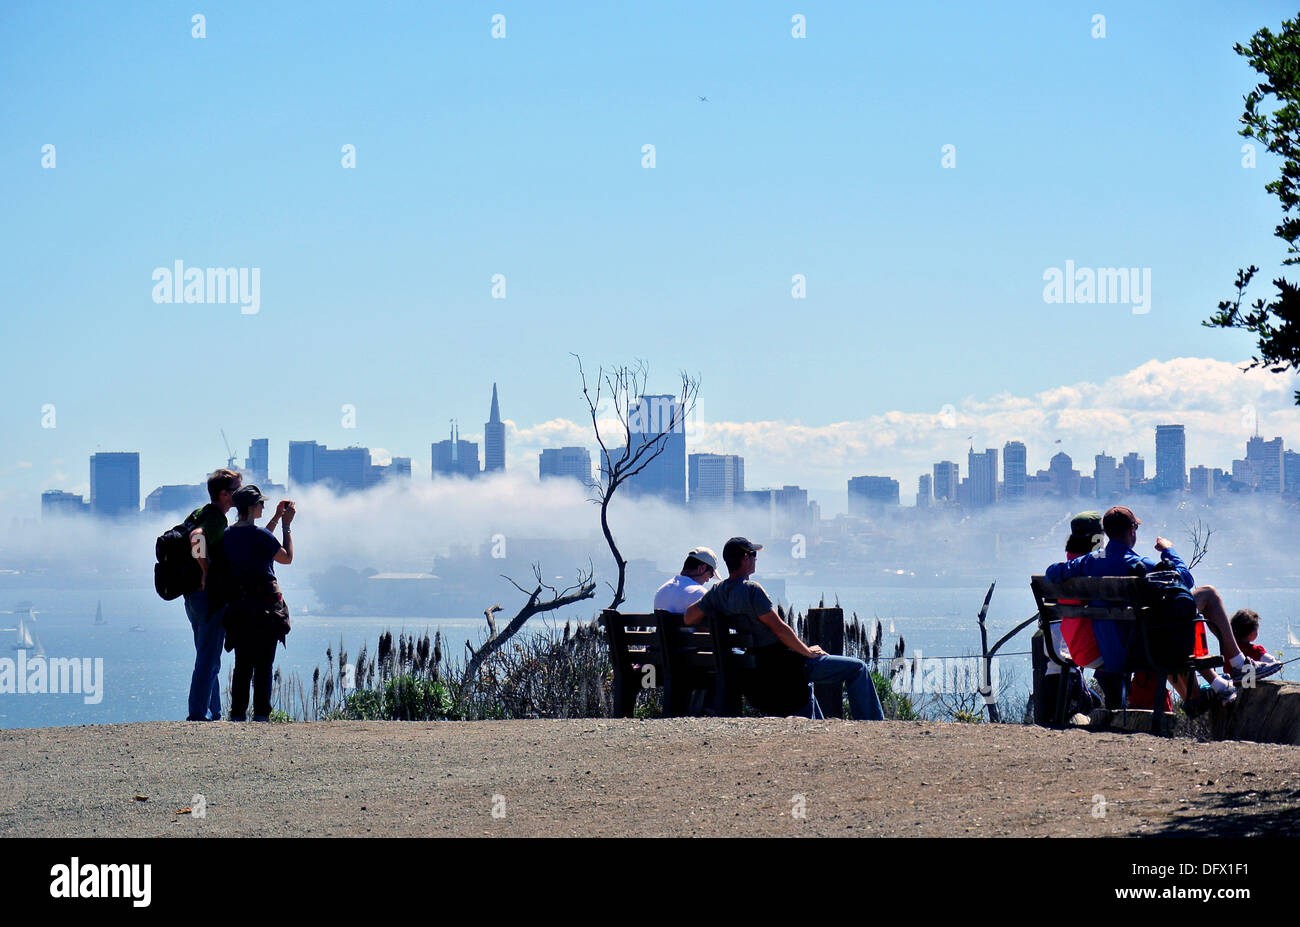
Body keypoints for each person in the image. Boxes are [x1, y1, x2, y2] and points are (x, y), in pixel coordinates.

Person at [1045, 506, 1277, 703]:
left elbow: (1052, 572)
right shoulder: (1138, 563)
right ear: (1131, 531)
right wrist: (1168, 550)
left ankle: (1219, 682)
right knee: (1208, 594)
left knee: (1170, 615)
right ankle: (1237, 663)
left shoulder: (1091, 561)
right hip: (1141, 651)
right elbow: (1185, 580)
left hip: (1110, 651)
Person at [684, 537, 884, 720]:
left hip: (757, 667)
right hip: (784, 663)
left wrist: (712, 613)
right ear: (745, 559)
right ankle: (872, 725)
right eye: (754, 555)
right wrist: (806, 651)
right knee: (858, 668)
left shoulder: (717, 592)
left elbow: (688, 617)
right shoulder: (752, 590)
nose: (756, 559)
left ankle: (818, 725)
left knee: (809, 690)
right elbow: (779, 629)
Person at [221, 485, 294, 723]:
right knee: (264, 665)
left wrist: (274, 517)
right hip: (265, 611)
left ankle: (237, 715)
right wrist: (286, 525)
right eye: (261, 504)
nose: (263, 506)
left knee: (242, 664)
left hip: (239, 609)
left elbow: (258, 542)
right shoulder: (262, 537)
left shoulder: (228, 535)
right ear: (252, 507)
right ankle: (262, 715)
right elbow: (286, 557)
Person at [183, 468, 241, 721]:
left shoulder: (199, 512)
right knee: (208, 658)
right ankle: (197, 713)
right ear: (224, 494)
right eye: (237, 490)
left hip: (192, 596)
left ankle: (213, 710)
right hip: (209, 596)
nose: (240, 494)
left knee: (207, 654)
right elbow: (196, 537)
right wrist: (205, 569)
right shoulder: (216, 518)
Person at [653, 547, 718, 614]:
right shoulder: (700, 594)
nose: (707, 580)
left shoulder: (661, 592)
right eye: (711, 575)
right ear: (702, 568)